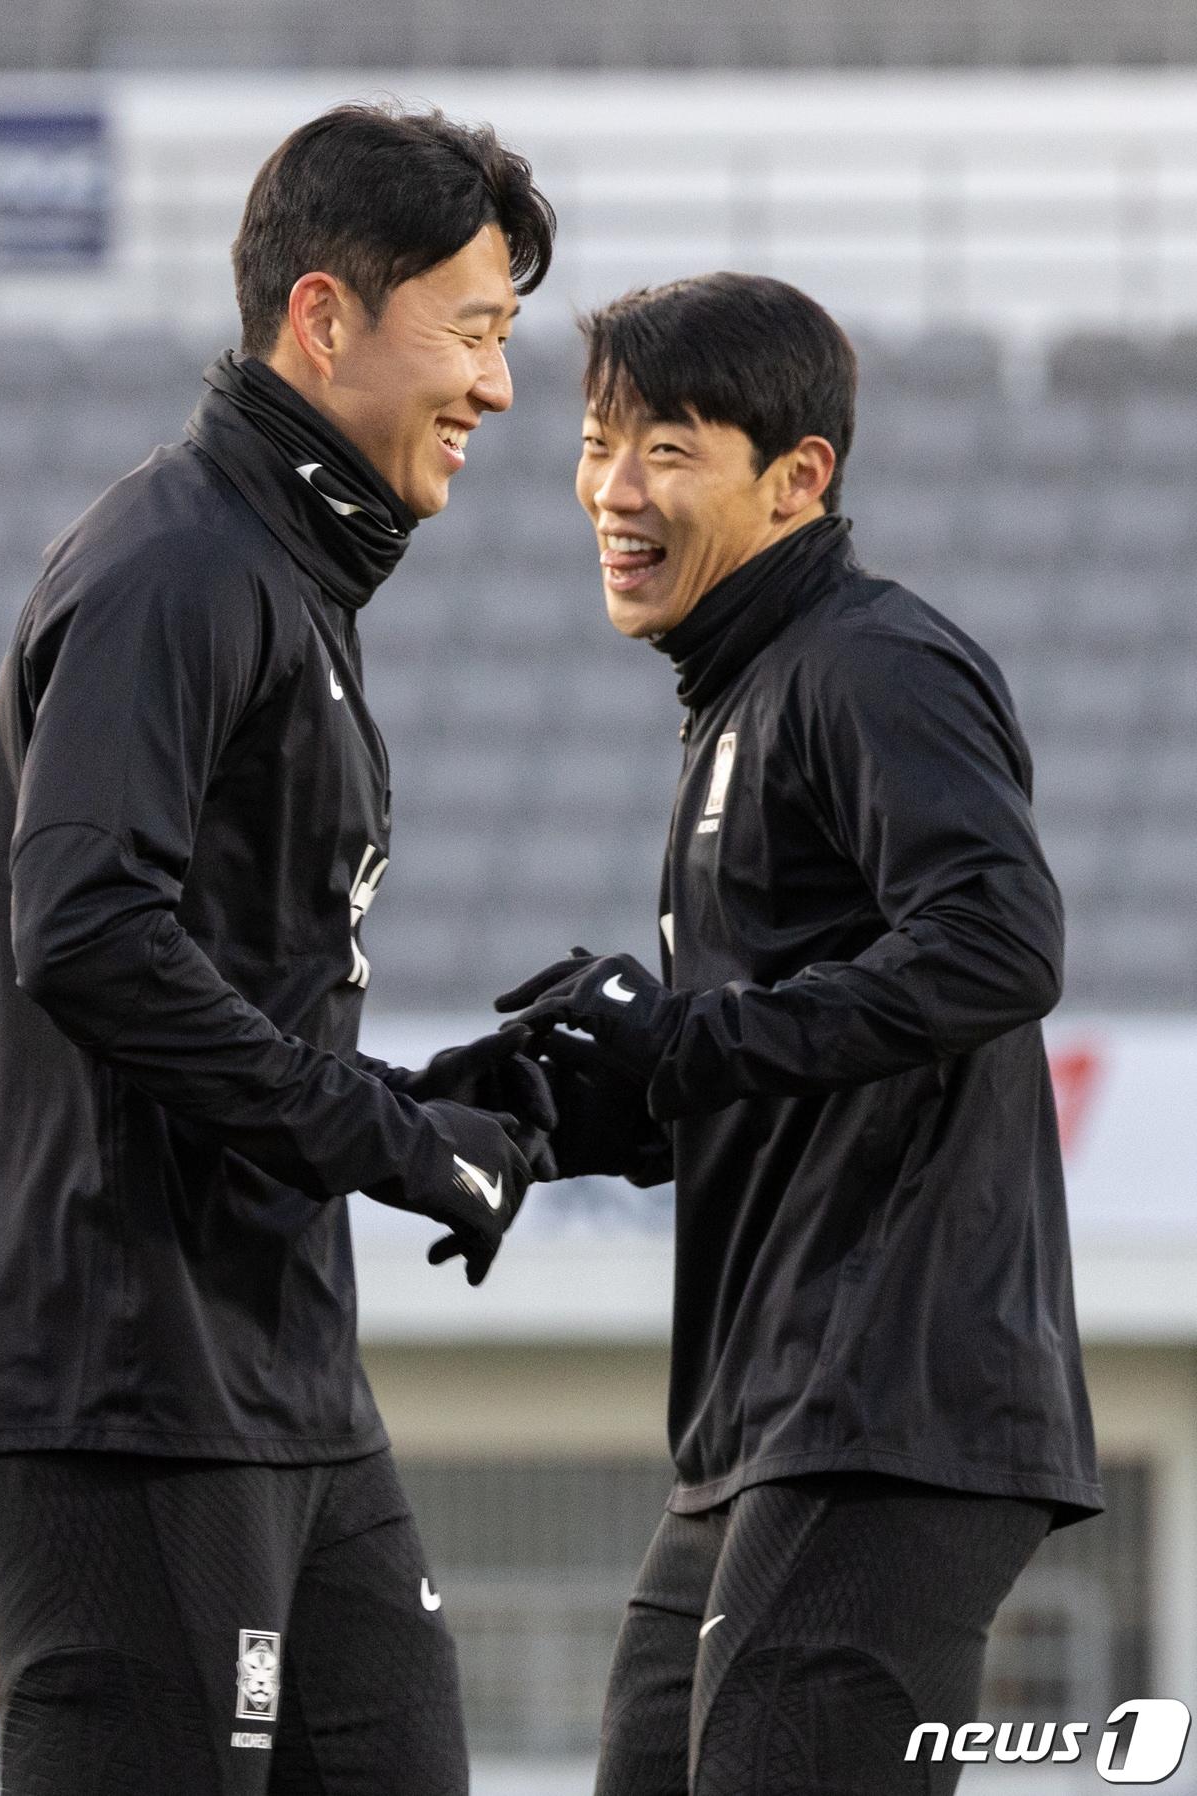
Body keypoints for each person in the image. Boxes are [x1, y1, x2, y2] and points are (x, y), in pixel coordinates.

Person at [0, 103, 556, 1796]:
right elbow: (88, 929)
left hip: (277, 1377)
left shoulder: (281, 573)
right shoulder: (183, 563)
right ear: (325, 317)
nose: (499, 386)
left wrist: (435, 1104)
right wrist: (388, 1139)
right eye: (475, 334)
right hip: (127, 1382)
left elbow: (221, 989)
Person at [497, 272, 1101, 1796]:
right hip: (767, 1422)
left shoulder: (870, 662)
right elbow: (744, 1065)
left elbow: (999, 943)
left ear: (799, 478)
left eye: (666, 451)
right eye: (595, 446)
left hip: (892, 1405)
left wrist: (686, 1043)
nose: (612, 494)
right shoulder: (742, 693)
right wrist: (516, 1115)